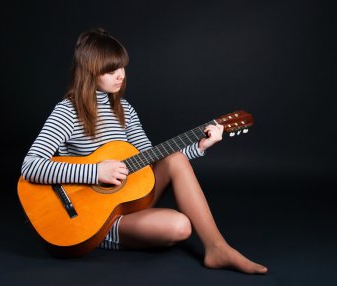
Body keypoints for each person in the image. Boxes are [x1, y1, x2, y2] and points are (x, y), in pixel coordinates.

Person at [21, 27, 268, 274]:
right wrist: (95, 172)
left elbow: (150, 160)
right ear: (89, 72)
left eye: (122, 67)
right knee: (179, 226)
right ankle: (100, 237)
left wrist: (200, 147)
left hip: (128, 200)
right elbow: (30, 166)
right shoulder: (67, 111)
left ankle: (217, 249)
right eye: (111, 70)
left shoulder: (125, 110)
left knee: (176, 157)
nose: (120, 76)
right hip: (94, 219)